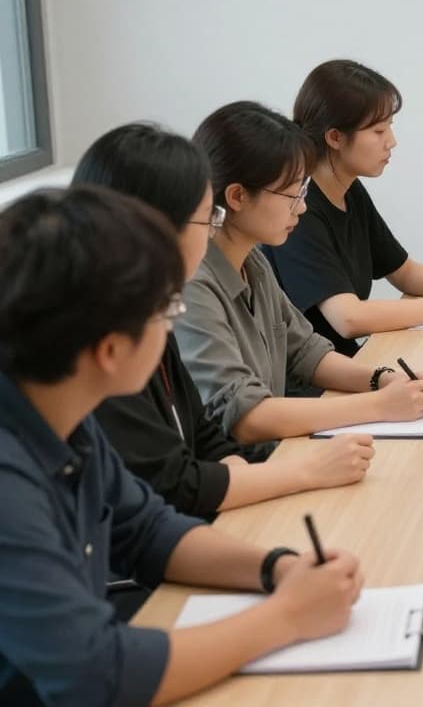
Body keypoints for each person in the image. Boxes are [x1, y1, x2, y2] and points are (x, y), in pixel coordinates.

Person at [0, 186, 364, 706]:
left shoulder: (60, 412)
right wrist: (287, 616)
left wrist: (278, 569)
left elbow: (148, 530)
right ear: (109, 349)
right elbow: (98, 675)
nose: (174, 323)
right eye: (166, 307)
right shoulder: (9, 477)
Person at [75, 123, 376, 518]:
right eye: (206, 219)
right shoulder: (108, 339)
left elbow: (204, 439)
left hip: (212, 502)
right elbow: (175, 488)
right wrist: (311, 467)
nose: (212, 230)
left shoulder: (158, 309)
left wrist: (378, 382)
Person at [177, 101, 423, 458]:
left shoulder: (251, 259)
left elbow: (305, 352)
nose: (301, 207)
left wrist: (380, 378)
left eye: (303, 192)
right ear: (237, 196)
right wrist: (380, 405)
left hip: (277, 452)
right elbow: (245, 417)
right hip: (241, 473)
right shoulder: (193, 283)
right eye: (291, 194)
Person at [268, 59, 423, 357]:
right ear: (335, 137)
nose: (391, 142)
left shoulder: (349, 189)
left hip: (346, 362)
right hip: (312, 379)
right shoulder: (299, 209)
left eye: (389, 128)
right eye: (379, 131)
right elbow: (348, 318)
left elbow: (403, 272)